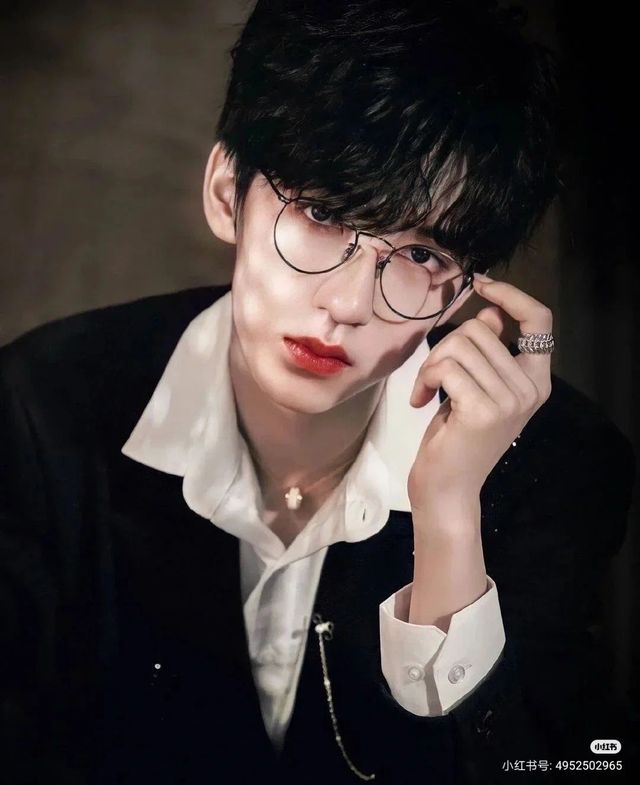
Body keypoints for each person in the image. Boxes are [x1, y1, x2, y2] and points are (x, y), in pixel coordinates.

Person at [0, 1, 636, 783]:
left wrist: (448, 519)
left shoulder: (560, 461)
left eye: (421, 255)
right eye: (323, 214)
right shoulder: (39, 410)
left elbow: (550, 766)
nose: (348, 302)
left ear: (467, 287)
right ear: (227, 191)